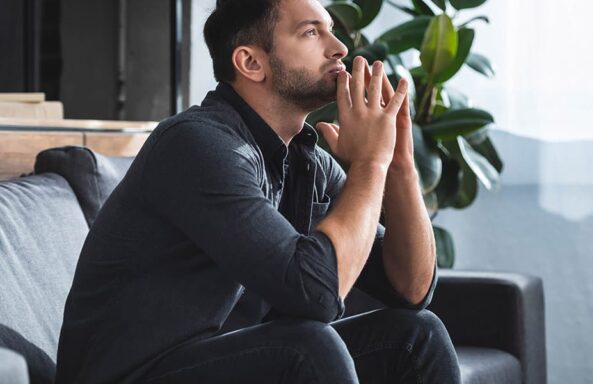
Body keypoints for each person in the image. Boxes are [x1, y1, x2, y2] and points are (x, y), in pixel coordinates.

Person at [54, 0, 462, 382]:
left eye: (331, 31)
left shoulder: (307, 159)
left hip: (230, 361)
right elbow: (316, 297)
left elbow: (411, 289)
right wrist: (370, 164)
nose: (339, 48)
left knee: (416, 335)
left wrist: (399, 164)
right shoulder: (197, 144)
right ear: (251, 62)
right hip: (136, 372)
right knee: (307, 345)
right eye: (310, 33)